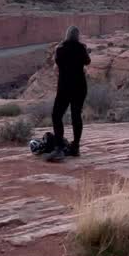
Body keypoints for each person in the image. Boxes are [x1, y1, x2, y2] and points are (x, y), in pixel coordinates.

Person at [47, 25, 90, 162]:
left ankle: (59, 148)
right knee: (76, 115)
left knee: (57, 115)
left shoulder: (60, 49)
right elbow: (87, 61)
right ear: (77, 36)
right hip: (80, 87)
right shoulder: (81, 48)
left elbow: (58, 62)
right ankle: (75, 147)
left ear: (66, 35)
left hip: (65, 87)